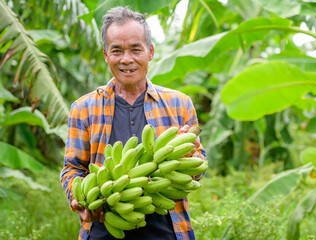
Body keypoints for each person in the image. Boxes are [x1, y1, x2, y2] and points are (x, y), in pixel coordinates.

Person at [60, 6, 207, 240]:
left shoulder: (180, 104)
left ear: (150, 51)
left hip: (167, 231)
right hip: (103, 229)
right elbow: (73, 168)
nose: (126, 59)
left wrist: (188, 156)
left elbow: (199, 167)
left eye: (135, 49)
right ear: (106, 55)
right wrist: (77, 197)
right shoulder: (84, 108)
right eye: (117, 51)